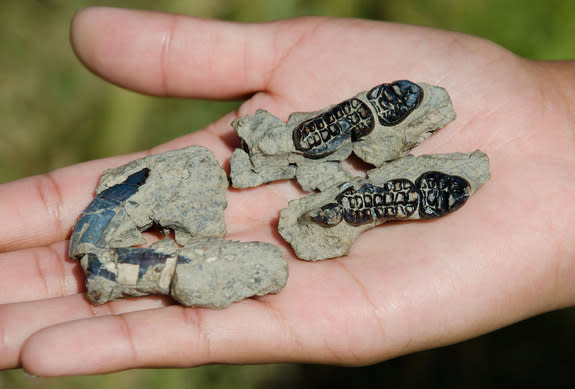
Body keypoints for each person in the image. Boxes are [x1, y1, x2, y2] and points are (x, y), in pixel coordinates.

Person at [1, 6, 574, 377]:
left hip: (261, 193)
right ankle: (333, 184)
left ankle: (335, 185)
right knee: (200, 246)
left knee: (235, 231)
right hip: (213, 209)